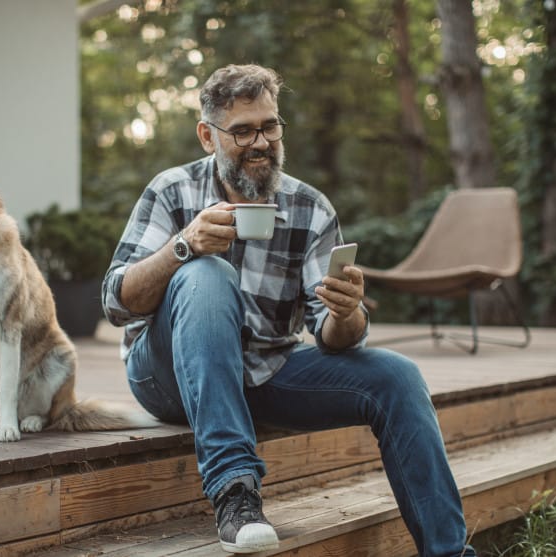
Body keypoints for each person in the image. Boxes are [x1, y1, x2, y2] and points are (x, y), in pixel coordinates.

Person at [101, 64, 475, 556]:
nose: (260, 142)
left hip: (265, 371)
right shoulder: (172, 191)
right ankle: (235, 491)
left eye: (270, 126)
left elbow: (333, 336)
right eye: (242, 131)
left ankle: (449, 552)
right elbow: (114, 301)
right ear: (206, 136)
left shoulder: (310, 208)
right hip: (167, 376)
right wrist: (182, 247)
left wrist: (347, 313)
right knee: (205, 273)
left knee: (397, 376)